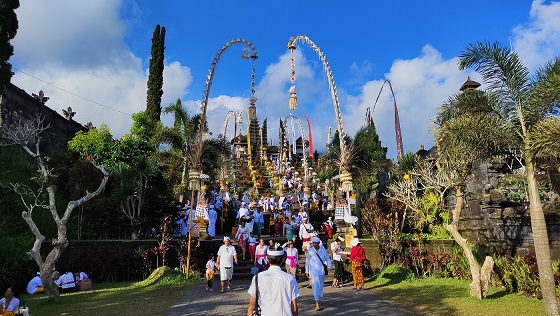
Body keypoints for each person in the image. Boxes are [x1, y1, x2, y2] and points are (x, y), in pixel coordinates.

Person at [247, 243, 300, 316]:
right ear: (283, 259)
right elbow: (294, 308)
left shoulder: (258, 278)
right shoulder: (290, 279)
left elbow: (251, 306)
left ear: (267, 259)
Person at [305, 236, 332, 311]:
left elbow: (327, 258)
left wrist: (329, 266)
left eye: (316, 243)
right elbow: (307, 262)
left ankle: (318, 298)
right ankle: (317, 303)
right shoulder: (310, 251)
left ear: (318, 243)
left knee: (320, 287)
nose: (315, 244)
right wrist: (306, 271)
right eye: (313, 243)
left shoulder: (323, 250)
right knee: (315, 287)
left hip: (321, 271)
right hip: (313, 271)